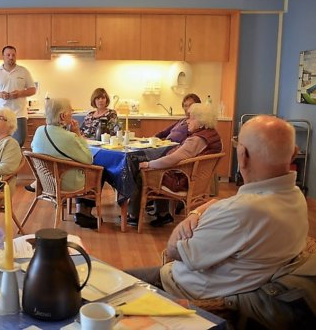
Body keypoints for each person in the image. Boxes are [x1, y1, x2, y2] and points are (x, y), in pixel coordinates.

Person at [125, 116, 308, 318]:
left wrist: (181, 227)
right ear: (293, 154)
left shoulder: (241, 212)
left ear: (242, 155)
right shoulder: (295, 198)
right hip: (239, 288)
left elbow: (176, 252)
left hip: (182, 290)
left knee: (108, 284)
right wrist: (197, 211)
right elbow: (238, 208)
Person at [127, 103, 222, 227]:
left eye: (191, 118)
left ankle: (133, 216)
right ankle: (162, 214)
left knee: (141, 172)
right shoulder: (212, 134)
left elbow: (173, 159)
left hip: (182, 180)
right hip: (195, 179)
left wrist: (149, 163)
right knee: (155, 168)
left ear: (201, 121)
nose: (187, 121)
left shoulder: (197, 139)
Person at [31, 98, 97, 229]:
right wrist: (77, 134)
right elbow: (89, 159)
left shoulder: (39, 131)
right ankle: (84, 212)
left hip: (46, 182)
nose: (72, 112)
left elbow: (34, 147)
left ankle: (82, 211)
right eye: (70, 111)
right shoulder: (69, 137)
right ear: (62, 116)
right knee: (100, 171)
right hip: (66, 183)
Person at [0, 45, 36, 147]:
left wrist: (20, 93)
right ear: (3, 56)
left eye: (13, 55)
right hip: (0, 114)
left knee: (19, 142)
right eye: (8, 55)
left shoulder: (23, 71)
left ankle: (15, 161)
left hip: (19, 114)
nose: (11, 57)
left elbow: (32, 90)